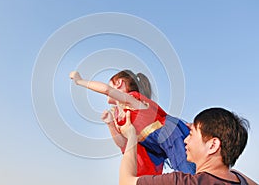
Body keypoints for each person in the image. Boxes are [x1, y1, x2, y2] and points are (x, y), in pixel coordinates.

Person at [70, 70, 195, 176]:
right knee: (179, 173)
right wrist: (110, 123)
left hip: (168, 134)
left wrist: (79, 81)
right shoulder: (119, 117)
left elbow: (106, 89)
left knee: (186, 168)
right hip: (154, 146)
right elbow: (123, 144)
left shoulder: (132, 99)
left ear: (119, 83)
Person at [119, 107, 257, 185]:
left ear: (213, 145)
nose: (185, 140)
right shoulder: (242, 180)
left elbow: (126, 182)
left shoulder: (181, 182)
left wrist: (131, 137)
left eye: (191, 134)